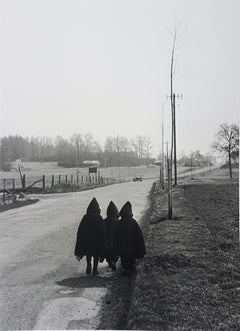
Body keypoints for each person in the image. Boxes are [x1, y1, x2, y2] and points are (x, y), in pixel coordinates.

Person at [74, 197, 106, 276]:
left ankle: (88, 266)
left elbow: (81, 230)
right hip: (97, 241)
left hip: (88, 240)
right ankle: (95, 270)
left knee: (88, 253)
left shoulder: (85, 217)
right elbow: (103, 232)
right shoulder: (99, 218)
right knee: (96, 255)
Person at [116, 201, 146, 275]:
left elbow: (116, 236)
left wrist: (116, 248)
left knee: (124, 258)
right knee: (131, 258)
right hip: (132, 247)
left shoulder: (120, 222)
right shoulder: (133, 222)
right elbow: (138, 235)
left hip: (122, 246)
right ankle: (131, 269)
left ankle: (126, 269)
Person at [104, 201, 120, 271]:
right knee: (116, 254)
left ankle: (110, 262)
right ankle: (113, 262)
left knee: (108, 255)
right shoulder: (118, 221)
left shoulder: (104, 221)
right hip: (116, 241)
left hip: (107, 242)